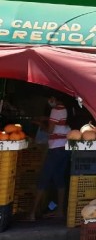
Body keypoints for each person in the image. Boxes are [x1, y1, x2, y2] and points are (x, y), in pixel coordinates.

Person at [28, 93, 72, 221]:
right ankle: (59, 211)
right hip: (64, 148)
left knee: (44, 178)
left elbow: (50, 131)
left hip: (55, 149)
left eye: (50, 98)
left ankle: (32, 213)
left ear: (55, 98)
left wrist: (40, 124)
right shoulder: (63, 109)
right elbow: (59, 123)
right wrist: (47, 118)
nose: (49, 101)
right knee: (59, 178)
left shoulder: (56, 109)